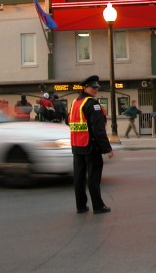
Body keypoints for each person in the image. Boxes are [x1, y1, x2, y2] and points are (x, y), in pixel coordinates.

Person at [67, 75, 113, 214]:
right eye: (93, 87)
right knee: (93, 177)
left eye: (97, 87)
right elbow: (98, 129)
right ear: (85, 87)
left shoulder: (75, 102)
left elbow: (68, 121)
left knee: (79, 178)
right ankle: (98, 206)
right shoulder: (92, 104)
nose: (96, 89)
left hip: (77, 146)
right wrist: (107, 149)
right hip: (91, 146)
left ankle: (81, 206)